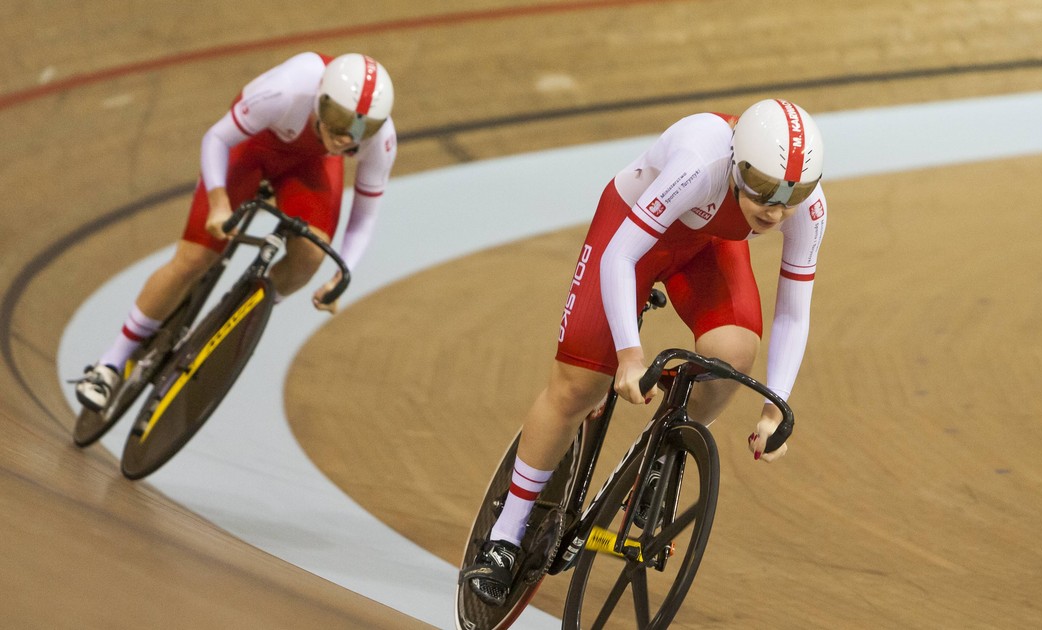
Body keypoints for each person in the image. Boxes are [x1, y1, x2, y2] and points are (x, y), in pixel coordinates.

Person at [464, 98, 828, 605]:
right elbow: (622, 253)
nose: (776, 209)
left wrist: (776, 405)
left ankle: (659, 458)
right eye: (764, 189)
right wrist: (630, 355)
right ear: (737, 162)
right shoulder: (701, 163)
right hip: (630, 234)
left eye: (794, 195)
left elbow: (794, 310)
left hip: (707, 248)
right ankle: (505, 534)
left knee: (733, 356)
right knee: (578, 387)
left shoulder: (806, 207)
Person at [74, 51, 397, 412]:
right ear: (320, 99)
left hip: (308, 168)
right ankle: (110, 364)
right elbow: (216, 138)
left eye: (359, 129)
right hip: (252, 147)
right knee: (194, 259)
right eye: (337, 121)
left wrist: (342, 273)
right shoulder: (287, 90)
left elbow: (365, 217)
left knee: (311, 256)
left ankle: (239, 313)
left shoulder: (380, 138)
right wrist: (217, 202)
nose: (344, 138)